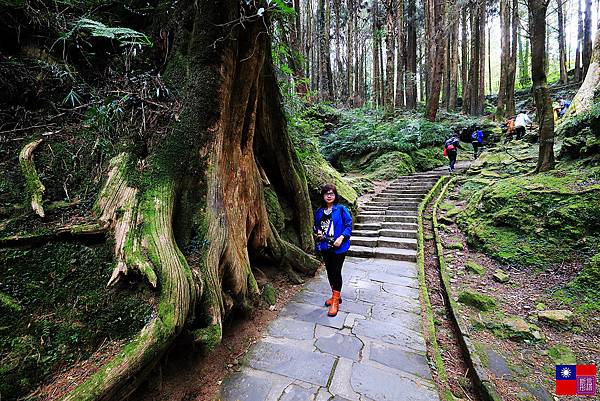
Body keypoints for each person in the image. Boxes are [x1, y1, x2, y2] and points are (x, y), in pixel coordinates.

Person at [313, 184, 352, 317]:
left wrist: (341, 237)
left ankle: (335, 301)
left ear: (335, 196)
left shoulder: (341, 209)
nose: (329, 196)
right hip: (325, 246)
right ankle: (336, 294)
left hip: (339, 247)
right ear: (323, 196)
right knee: (329, 272)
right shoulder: (319, 211)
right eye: (326, 194)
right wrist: (318, 232)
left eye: (332, 193)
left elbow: (348, 225)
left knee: (336, 271)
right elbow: (316, 226)